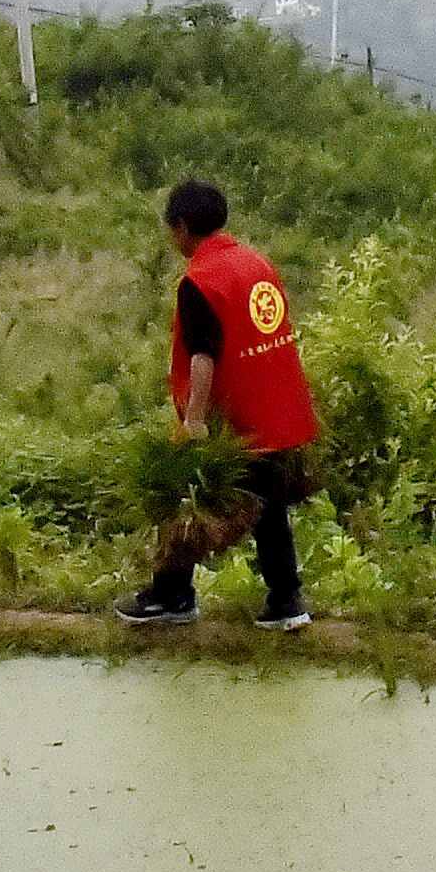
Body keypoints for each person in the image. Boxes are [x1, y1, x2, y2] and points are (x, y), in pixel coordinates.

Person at [124, 178, 316, 632]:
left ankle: (171, 596)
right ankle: (287, 601)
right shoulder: (257, 264)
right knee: (269, 510)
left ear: (183, 227)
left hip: (236, 418)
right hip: (278, 410)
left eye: (172, 229)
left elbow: (203, 356)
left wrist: (193, 421)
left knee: (184, 496)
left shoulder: (200, 281)